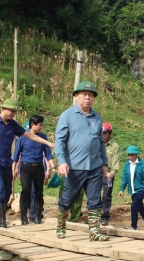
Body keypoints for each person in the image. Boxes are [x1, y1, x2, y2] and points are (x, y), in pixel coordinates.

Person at [0, 99, 54, 228]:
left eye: (15, 111)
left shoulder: (13, 125)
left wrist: (47, 143)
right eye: (12, 110)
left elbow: (29, 135)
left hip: (6, 161)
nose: (14, 113)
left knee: (8, 190)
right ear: (3, 109)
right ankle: (1, 220)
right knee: (0, 189)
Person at [54, 81, 110, 241]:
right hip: (74, 167)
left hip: (94, 166)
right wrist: (62, 161)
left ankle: (94, 232)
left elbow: (100, 142)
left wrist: (104, 163)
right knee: (68, 198)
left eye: (91, 94)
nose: (88, 97)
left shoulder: (97, 117)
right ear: (76, 96)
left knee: (95, 200)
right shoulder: (67, 115)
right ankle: (60, 225)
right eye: (84, 94)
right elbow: (59, 140)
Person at [12, 115, 55, 225]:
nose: (41, 127)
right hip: (26, 167)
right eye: (39, 125)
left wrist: (52, 167)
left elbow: (48, 154)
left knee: (38, 192)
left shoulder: (43, 137)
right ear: (32, 125)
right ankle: (23, 217)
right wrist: (14, 169)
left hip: (39, 167)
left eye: (42, 125)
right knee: (26, 190)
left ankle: (37, 216)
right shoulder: (22, 137)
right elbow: (16, 156)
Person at [118, 145, 144, 231]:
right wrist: (121, 189)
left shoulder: (143, 164)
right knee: (140, 209)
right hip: (132, 190)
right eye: (128, 154)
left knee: (134, 206)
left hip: (140, 189)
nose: (129, 156)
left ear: (136, 154)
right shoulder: (127, 164)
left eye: (131, 154)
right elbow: (124, 178)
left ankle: (133, 226)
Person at [100, 122, 120, 226]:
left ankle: (105, 216)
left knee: (107, 195)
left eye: (105, 133)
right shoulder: (96, 144)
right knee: (93, 194)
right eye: (101, 133)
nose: (103, 135)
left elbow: (116, 160)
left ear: (109, 133)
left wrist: (112, 172)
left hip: (108, 175)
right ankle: (93, 216)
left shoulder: (114, 146)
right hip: (96, 173)